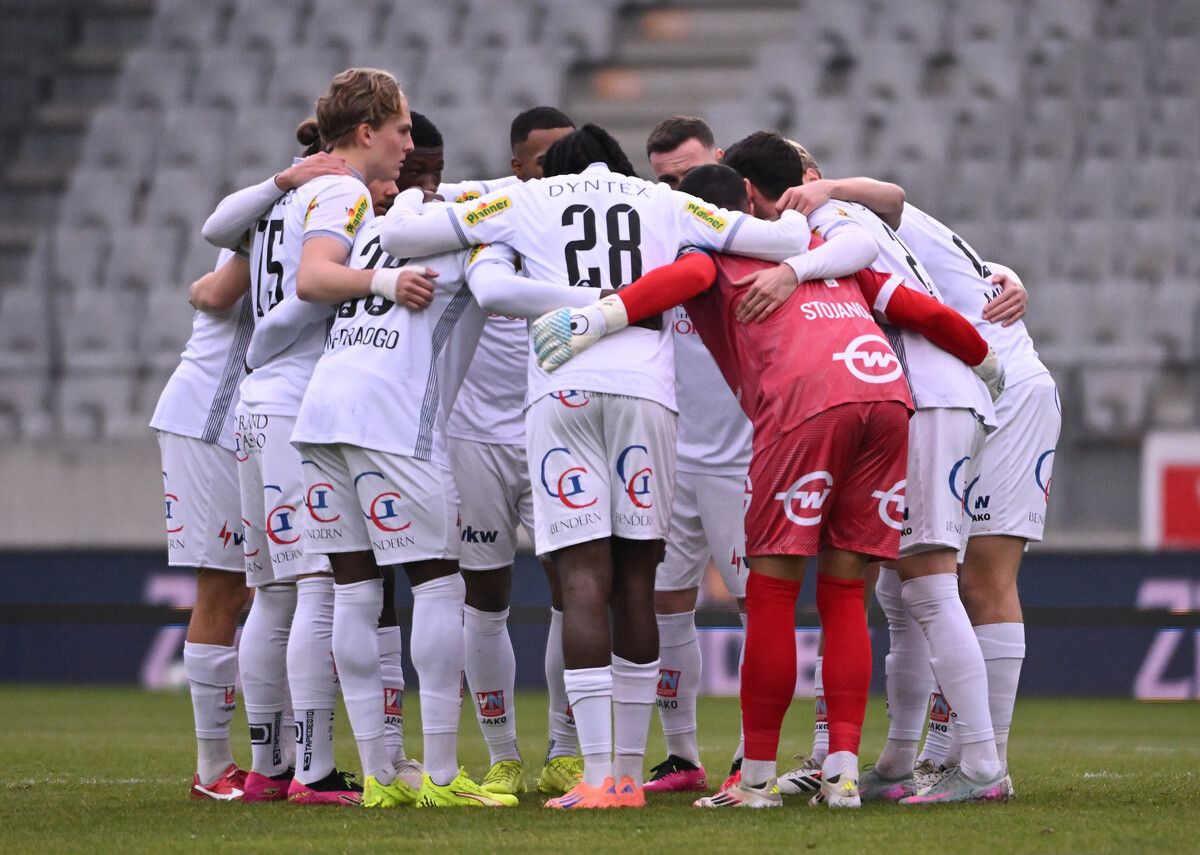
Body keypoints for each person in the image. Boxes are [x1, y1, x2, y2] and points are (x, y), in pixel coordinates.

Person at [377, 123, 825, 809]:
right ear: (621, 162)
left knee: (583, 576)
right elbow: (786, 241)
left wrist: (413, 201)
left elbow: (405, 241)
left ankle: (596, 777)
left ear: (551, 168)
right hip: (647, 392)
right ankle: (627, 770)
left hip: (562, 392)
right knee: (638, 581)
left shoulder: (528, 198)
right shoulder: (662, 201)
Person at [531, 162, 1003, 809]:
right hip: (887, 400)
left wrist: (593, 319)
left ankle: (754, 781)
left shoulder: (712, 253)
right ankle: (840, 772)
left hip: (805, 406)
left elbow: (681, 278)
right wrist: (986, 358)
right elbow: (914, 306)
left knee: (775, 597)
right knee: (844, 595)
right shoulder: (820, 250)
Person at [724, 133, 1011, 805]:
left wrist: (796, 260)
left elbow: (880, 276)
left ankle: (981, 761)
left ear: (753, 194)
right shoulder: (847, 215)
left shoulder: (828, 224)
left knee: (929, 586)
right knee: (892, 593)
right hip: (928, 393)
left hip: (928, 396)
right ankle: (885, 758)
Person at [786, 176, 1058, 792]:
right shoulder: (861, 228)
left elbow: (892, 197)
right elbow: (967, 267)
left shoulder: (841, 216)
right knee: (902, 583)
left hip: (991, 382)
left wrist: (824, 188)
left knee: (969, 578)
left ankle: (982, 764)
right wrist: (1007, 274)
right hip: (960, 379)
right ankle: (909, 758)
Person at [203, 67, 414, 806]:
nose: (407, 145)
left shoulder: (290, 192)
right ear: (367, 132)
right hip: (295, 401)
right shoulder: (341, 191)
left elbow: (219, 232)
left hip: (258, 405)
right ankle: (315, 769)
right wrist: (381, 286)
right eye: (401, 130)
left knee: (273, 592)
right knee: (319, 583)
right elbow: (313, 284)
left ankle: (269, 762)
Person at [442, 106, 585, 798]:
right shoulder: (484, 210)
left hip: (552, 425)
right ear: (517, 165)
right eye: (546, 155)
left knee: (574, 589)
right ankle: (501, 753)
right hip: (474, 435)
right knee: (485, 596)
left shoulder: (584, 223)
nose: (561, 165)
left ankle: (566, 747)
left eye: (570, 152)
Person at [639, 116, 751, 794]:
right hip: (672, 453)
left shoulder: (757, 243)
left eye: (686, 174)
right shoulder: (653, 238)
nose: (678, 189)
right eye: (665, 180)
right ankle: (682, 755)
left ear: (717, 164)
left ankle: (752, 751)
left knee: (757, 605)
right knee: (663, 600)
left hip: (741, 457)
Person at [151, 247, 253, 800]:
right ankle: (213, 771)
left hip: (253, 424)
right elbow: (214, 293)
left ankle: (274, 761)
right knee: (226, 586)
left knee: (272, 590)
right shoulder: (280, 210)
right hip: (211, 420)